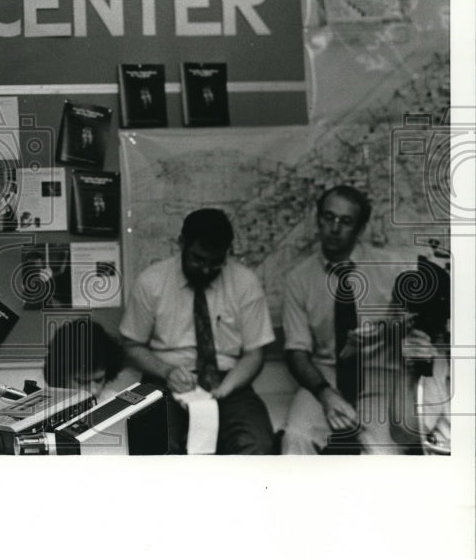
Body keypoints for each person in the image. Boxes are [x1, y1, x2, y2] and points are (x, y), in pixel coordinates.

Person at [281, 185, 433, 455]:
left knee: (382, 456)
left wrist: (391, 329)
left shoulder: (392, 267)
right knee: (295, 437)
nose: (334, 228)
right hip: (327, 376)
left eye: (346, 221)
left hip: (381, 377)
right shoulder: (298, 279)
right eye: (328, 218)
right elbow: (297, 351)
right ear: (318, 219)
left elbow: (434, 298)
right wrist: (326, 395)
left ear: (360, 229)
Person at [118, 208, 275, 454]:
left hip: (228, 381)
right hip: (165, 380)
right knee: (154, 444)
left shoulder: (245, 283)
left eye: (215, 263)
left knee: (257, 443)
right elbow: (131, 346)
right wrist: (167, 372)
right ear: (181, 243)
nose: (205, 270)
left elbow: (254, 353)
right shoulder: (151, 282)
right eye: (198, 259)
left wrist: (227, 388)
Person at [44, 319, 125, 401]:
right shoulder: (46, 407)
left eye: (99, 380)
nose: (94, 391)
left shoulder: (113, 399)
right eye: (82, 381)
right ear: (61, 377)